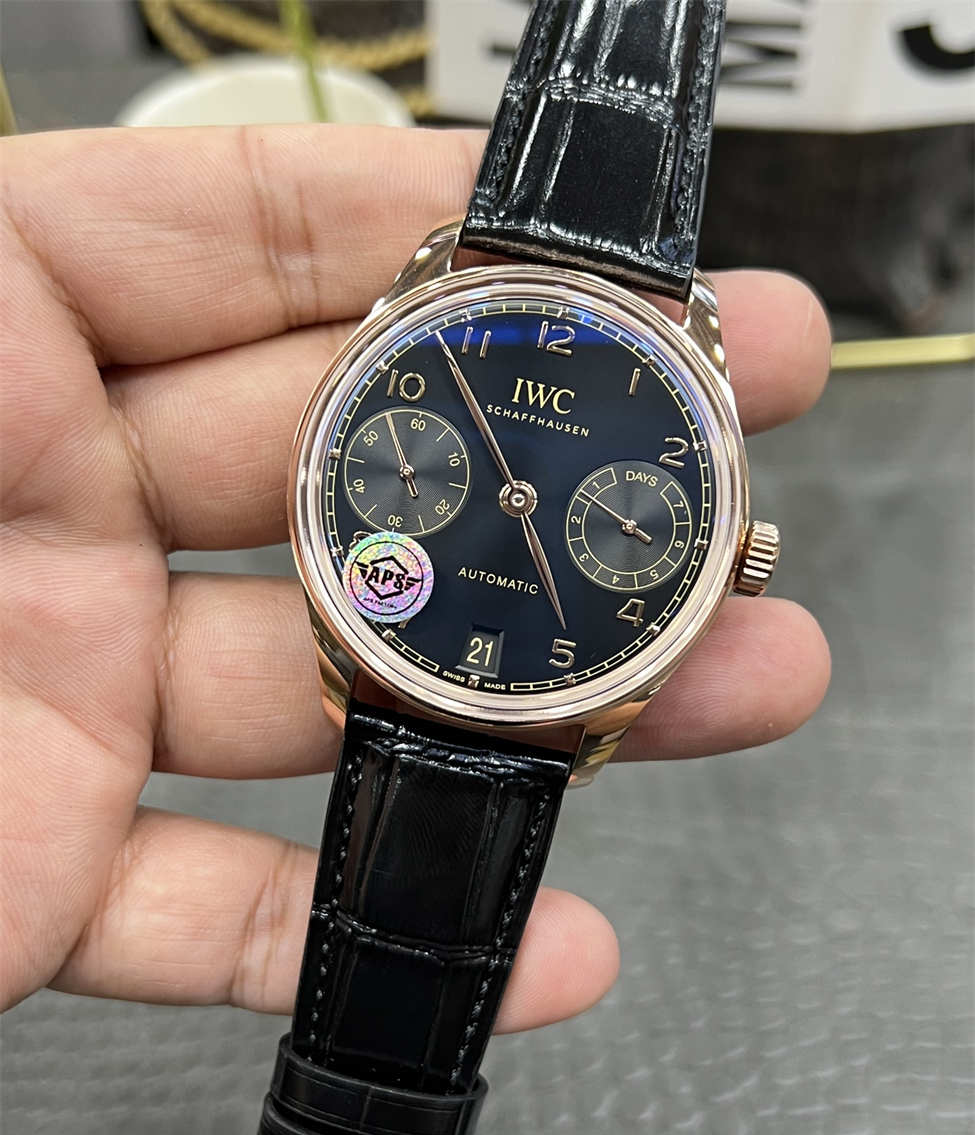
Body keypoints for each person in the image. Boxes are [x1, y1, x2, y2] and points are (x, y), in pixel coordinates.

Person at [0, 124, 832, 1029]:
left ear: (732, 554)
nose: (518, 497)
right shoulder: (472, 328)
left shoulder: (643, 384)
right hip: (407, 650)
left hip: (535, 685)